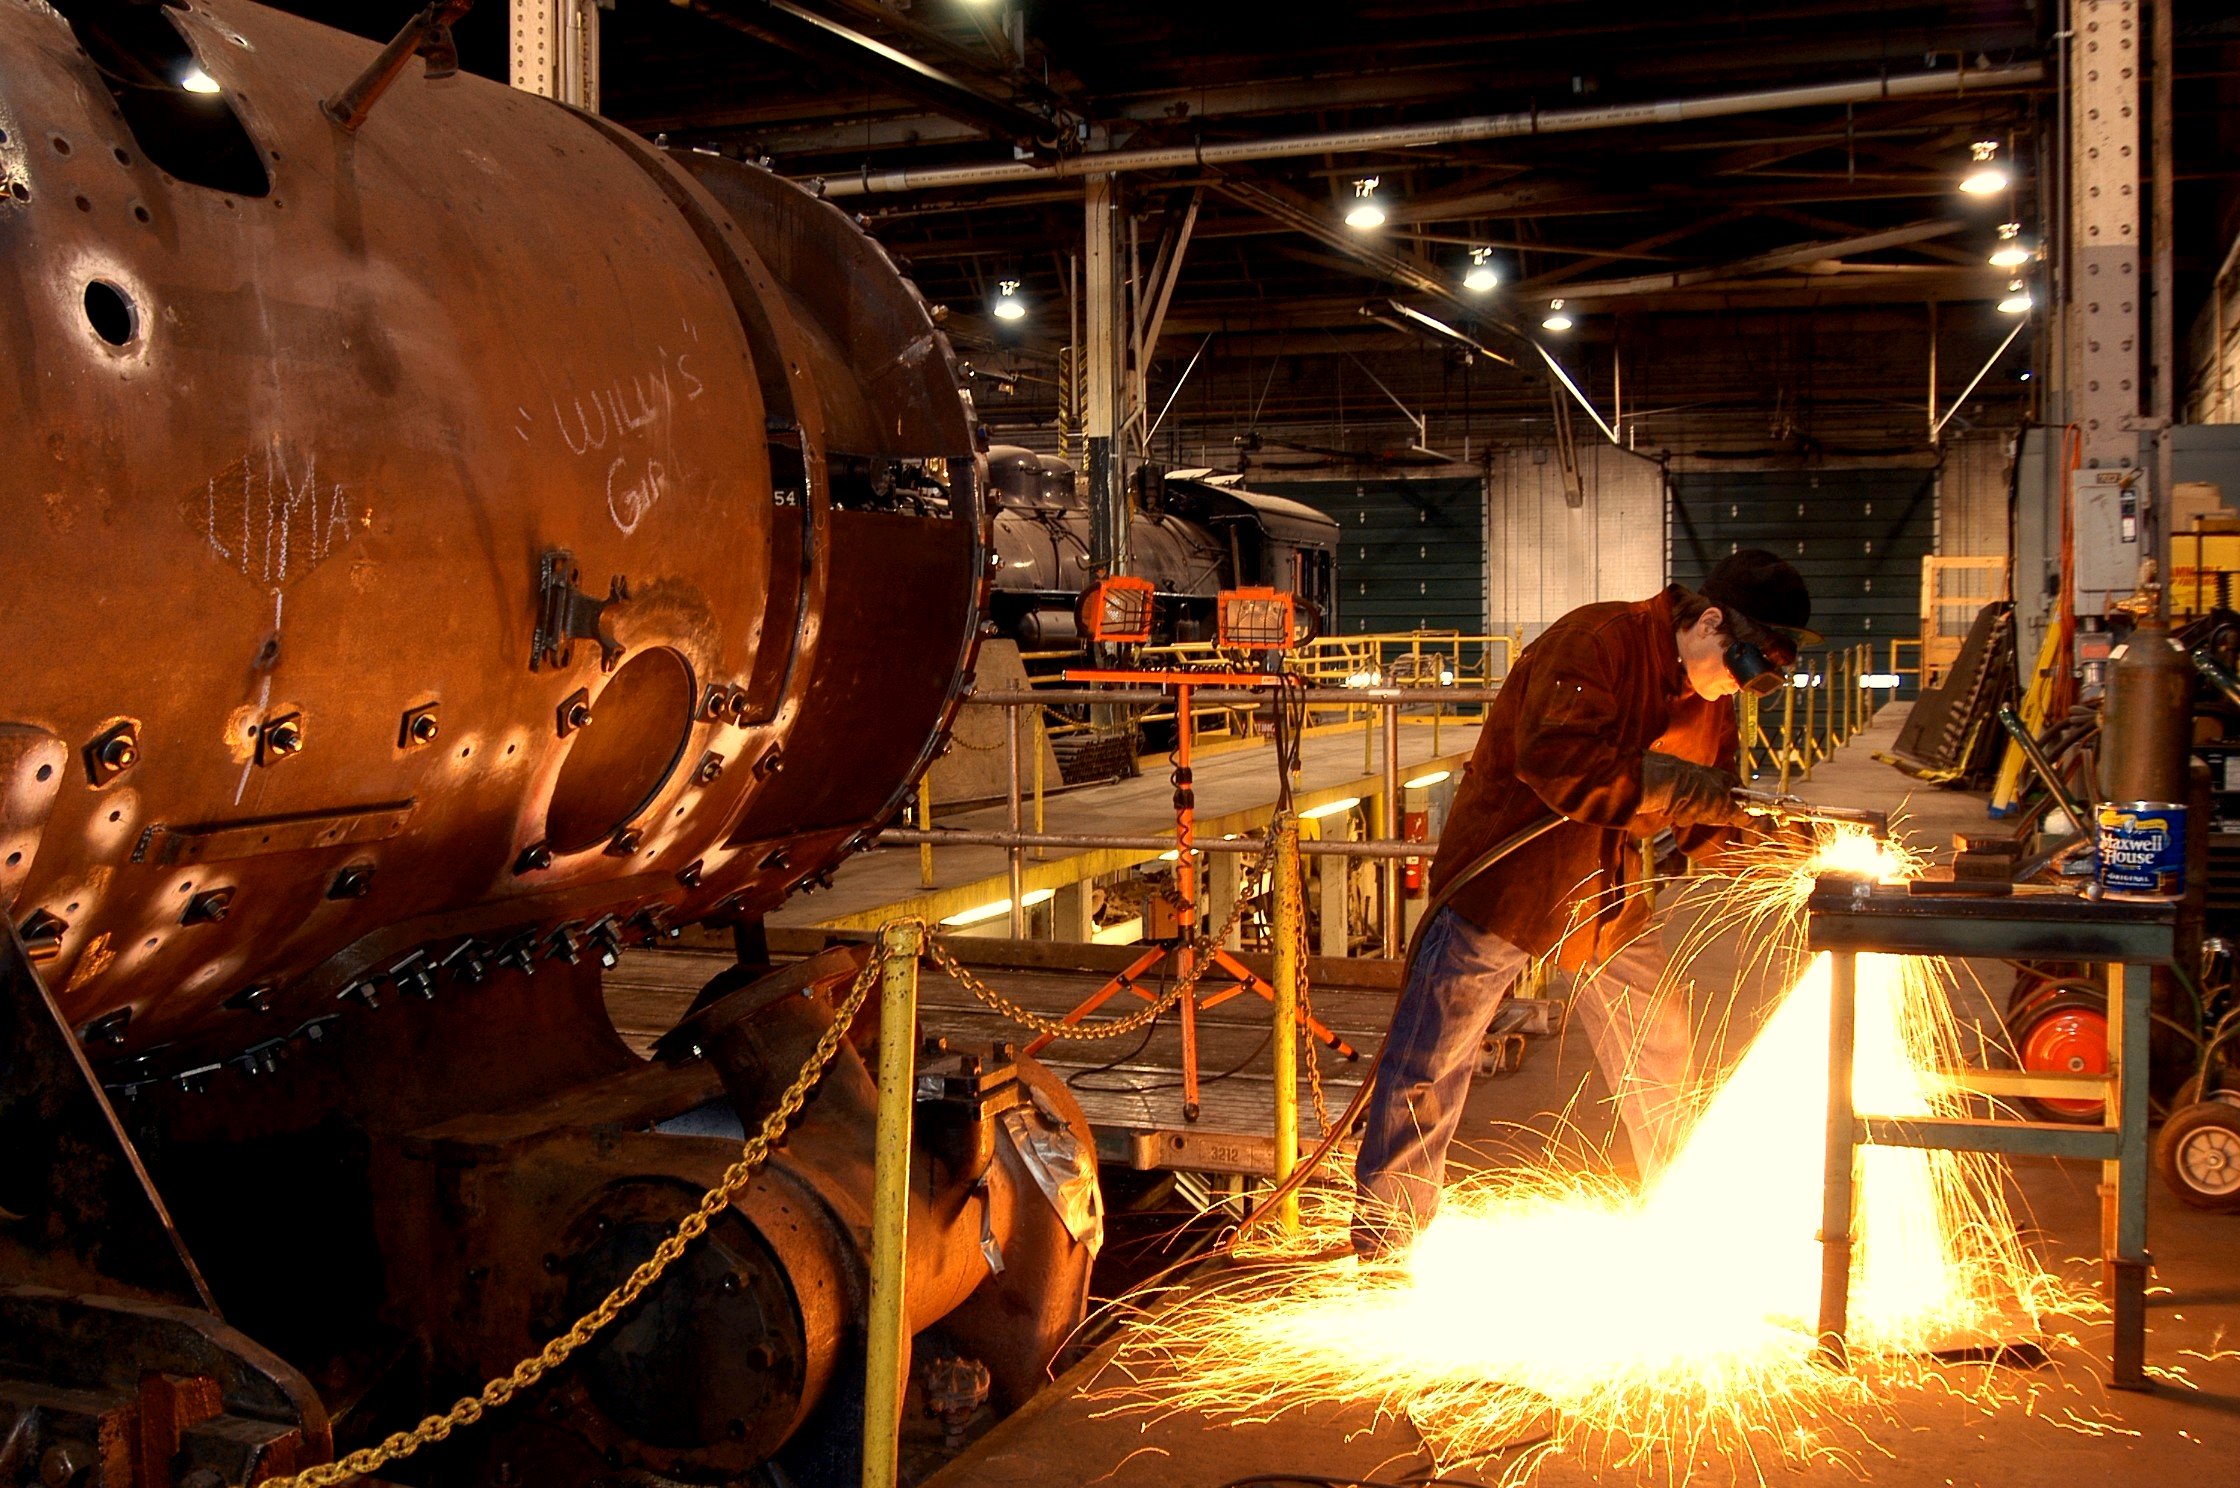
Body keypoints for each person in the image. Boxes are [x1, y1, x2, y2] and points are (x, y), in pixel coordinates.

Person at [1351, 549, 1817, 1260]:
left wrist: (1784, 851)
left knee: (1659, 1051)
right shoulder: (1596, 641)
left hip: (1607, 895)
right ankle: (1389, 1233)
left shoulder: (1709, 703)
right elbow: (1559, 761)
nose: (1732, 690)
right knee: (1434, 1057)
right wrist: (1681, 788)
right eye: (1738, 667)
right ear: (1710, 621)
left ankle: (1690, 1220)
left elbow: (1704, 818)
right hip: (1510, 878)